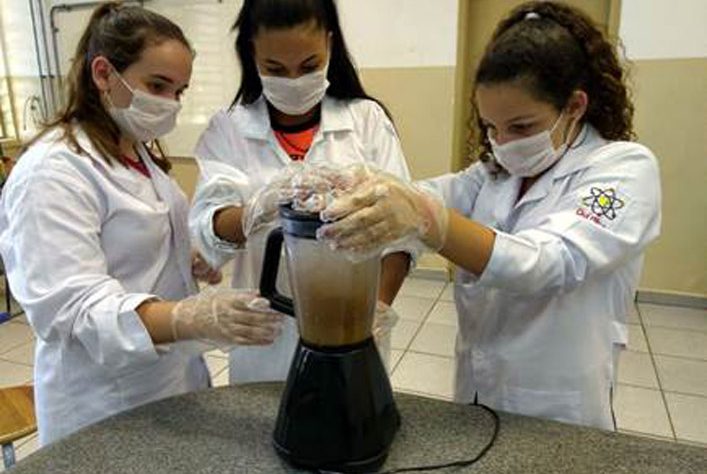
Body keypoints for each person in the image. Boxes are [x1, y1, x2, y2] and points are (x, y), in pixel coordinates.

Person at [317, 1, 661, 430]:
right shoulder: (494, 175)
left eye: (520, 127)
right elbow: (422, 196)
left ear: (574, 106)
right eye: (491, 128)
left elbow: (550, 262)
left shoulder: (624, 169)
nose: (502, 143)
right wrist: (358, 189)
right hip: (477, 394)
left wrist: (429, 220)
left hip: (558, 409)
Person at [0, 2, 282, 445]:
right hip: (103, 400)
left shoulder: (137, 152)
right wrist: (192, 317)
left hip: (169, 380)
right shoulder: (53, 171)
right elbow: (71, 311)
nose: (169, 104)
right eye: (157, 85)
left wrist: (182, 257)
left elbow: (130, 241)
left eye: (179, 91)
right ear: (102, 74)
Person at [189, 0, 411, 383]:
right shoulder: (228, 129)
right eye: (275, 69)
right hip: (265, 331)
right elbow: (209, 227)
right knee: (261, 434)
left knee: (347, 430)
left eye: (308, 66)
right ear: (252, 55)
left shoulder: (366, 121)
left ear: (329, 44)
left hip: (352, 324)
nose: (293, 80)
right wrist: (260, 207)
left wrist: (376, 308)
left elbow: (402, 231)